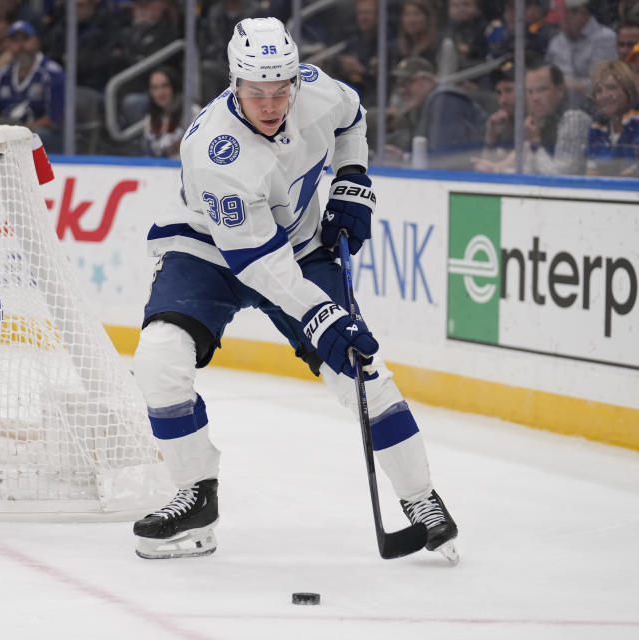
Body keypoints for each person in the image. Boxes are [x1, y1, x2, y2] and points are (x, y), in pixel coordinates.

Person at [131, 17, 459, 563]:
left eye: (280, 89)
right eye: (256, 91)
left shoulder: (316, 90)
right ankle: (196, 494)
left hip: (301, 245)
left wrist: (353, 178)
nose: (270, 103)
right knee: (160, 356)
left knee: (361, 371)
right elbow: (257, 262)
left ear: (294, 81)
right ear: (235, 83)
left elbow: (354, 119)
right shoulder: (216, 152)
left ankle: (421, 498)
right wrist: (318, 314)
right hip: (210, 249)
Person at [382, 56, 487, 171]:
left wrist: (404, 158)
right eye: (399, 85)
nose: (402, 90)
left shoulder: (444, 100)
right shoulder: (420, 107)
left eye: (407, 82)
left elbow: (445, 159)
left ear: (428, 81)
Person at [0, 21, 64, 153]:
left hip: (40, 137)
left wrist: (21, 132)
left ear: (37, 42)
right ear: (9, 45)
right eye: (15, 41)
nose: (20, 46)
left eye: (25, 40)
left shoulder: (52, 74)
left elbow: (55, 119)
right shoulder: (2, 75)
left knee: (38, 136)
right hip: (7, 135)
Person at [522, 62, 592, 174]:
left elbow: (559, 177)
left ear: (560, 90)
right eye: (530, 91)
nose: (535, 98)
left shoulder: (574, 118)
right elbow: (527, 172)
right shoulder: (541, 118)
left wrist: (535, 144)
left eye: (541, 90)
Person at [545, 0, 617, 97]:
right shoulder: (556, 42)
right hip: (559, 104)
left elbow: (602, 83)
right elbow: (547, 75)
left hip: (595, 104)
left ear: (580, 13)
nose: (559, 26)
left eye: (562, 20)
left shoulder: (605, 38)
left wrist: (562, 85)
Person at [586, 59, 639, 176]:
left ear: (628, 90)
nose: (604, 96)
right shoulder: (596, 129)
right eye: (598, 91)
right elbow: (591, 176)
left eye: (611, 88)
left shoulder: (636, 123)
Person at [140, 66, 198, 159]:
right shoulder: (149, 119)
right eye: (155, 88)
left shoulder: (192, 113)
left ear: (174, 87)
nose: (160, 92)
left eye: (165, 86)